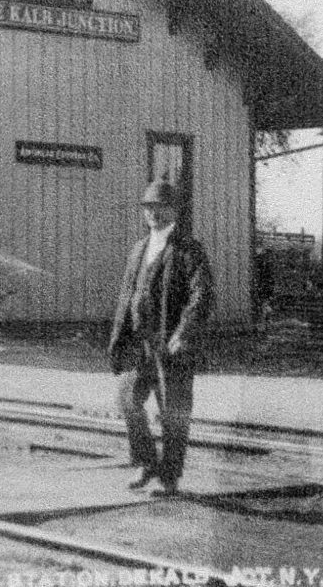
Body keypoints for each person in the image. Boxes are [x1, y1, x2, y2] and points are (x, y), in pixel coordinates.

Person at [106, 179, 214, 496]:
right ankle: (145, 463)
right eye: (149, 208)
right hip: (140, 346)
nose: (154, 213)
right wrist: (119, 338)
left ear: (174, 210)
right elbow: (127, 297)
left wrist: (184, 333)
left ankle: (170, 477)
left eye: (161, 207)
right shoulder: (139, 249)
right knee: (128, 400)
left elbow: (202, 296)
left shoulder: (189, 250)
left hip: (172, 346)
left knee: (174, 411)